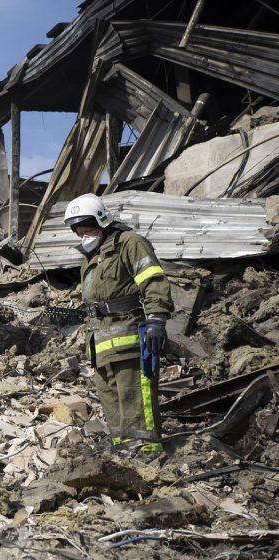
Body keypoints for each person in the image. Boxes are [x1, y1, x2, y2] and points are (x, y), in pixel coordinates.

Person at [64, 193, 173, 453]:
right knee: (113, 405)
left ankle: (147, 456)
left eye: (88, 229)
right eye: (79, 232)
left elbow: (153, 282)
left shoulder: (129, 243)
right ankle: (124, 455)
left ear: (102, 222)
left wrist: (157, 321)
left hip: (131, 340)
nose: (84, 236)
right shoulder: (90, 259)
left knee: (135, 400)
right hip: (101, 347)